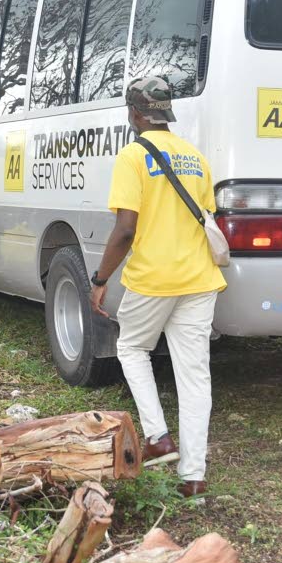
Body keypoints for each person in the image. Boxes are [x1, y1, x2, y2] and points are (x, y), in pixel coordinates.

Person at [89, 76, 226, 498]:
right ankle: (194, 477)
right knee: (194, 375)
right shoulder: (195, 157)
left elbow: (125, 229)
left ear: (134, 113)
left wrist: (100, 279)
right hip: (200, 279)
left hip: (154, 277)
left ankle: (157, 437)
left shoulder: (132, 156)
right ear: (166, 112)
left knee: (131, 348)